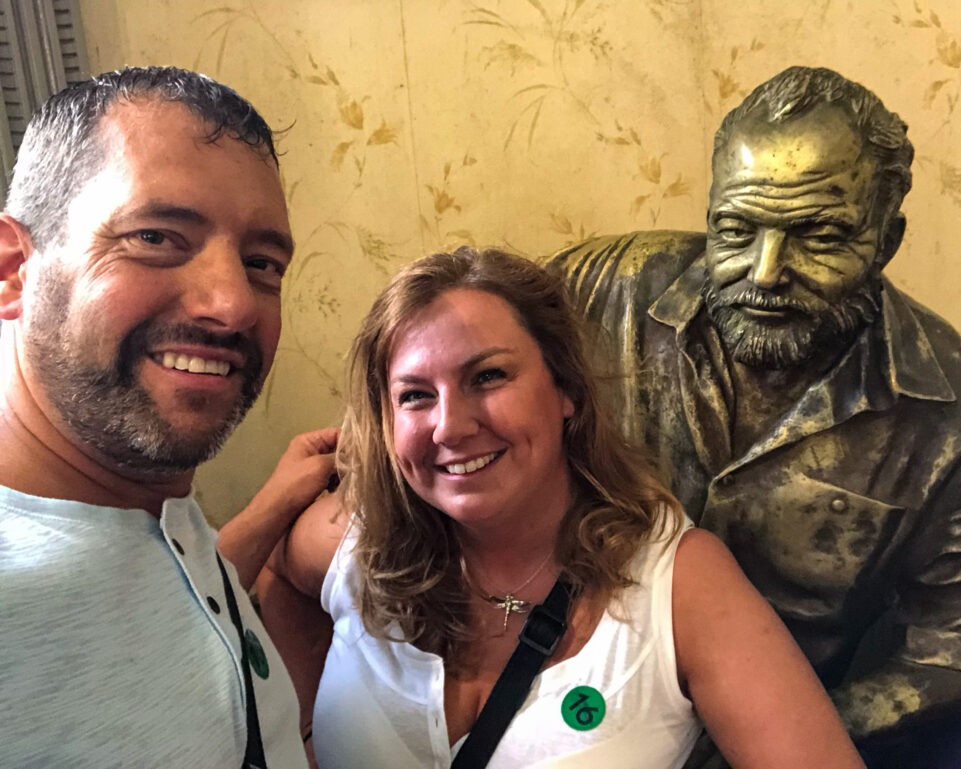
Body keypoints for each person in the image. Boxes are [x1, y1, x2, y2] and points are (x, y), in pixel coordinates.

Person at [545, 66, 961, 767]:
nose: (765, 271)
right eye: (736, 229)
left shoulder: (945, 404)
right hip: (554, 689)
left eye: (819, 235)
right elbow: (457, 385)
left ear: (887, 240)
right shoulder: (600, 289)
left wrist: (777, 720)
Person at [255, 246, 866, 768]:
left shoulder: (678, 585)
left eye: (488, 377)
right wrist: (300, 734)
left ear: (565, 390)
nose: (451, 426)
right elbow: (278, 577)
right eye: (415, 395)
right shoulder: (358, 541)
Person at [0, 67, 336, 767]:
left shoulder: (142, 491)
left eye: (262, 261)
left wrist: (274, 506)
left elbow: (138, 593)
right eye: (156, 237)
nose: (234, 302)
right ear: (13, 269)